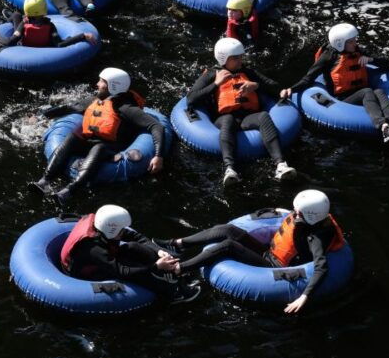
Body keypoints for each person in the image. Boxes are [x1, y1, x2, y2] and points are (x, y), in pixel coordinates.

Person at [153, 189, 344, 314]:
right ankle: (177, 244)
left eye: (297, 212)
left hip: (273, 266)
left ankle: (178, 269)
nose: (294, 214)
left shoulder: (315, 238)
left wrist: (304, 296)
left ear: (311, 216)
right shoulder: (313, 219)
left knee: (229, 245)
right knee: (228, 230)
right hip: (269, 252)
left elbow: (321, 266)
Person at [35, 67, 166, 204]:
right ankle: (44, 181)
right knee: (72, 137)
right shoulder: (96, 101)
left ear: (113, 86)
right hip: (92, 141)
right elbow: (68, 107)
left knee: (99, 148)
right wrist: (40, 116)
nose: (97, 84)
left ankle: (70, 190)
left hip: (112, 147)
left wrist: (158, 156)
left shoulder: (125, 107)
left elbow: (156, 125)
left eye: (102, 81)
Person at [187, 37, 296, 186]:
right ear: (223, 59)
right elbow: (191, 98)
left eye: (240, 57)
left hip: (247, 117)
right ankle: (230, 169)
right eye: (235, 58)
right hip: (222, 118)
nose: (240, 60)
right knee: (228, 120)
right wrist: (216, 84)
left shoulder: (247, 72)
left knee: (263, 116)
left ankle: (280, 165)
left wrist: (256, 86)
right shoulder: (212, 75)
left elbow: (274, 86)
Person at [280, 23, 389, 143]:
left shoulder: (357, 50)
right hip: (343, 99)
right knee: (367, 91)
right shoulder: (328, 56)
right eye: (351, 41)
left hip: (364, 93)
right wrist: (292, 89)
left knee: (379, 91)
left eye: (355, 40)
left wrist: (371, 59)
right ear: (339, 43)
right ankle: (384, 128)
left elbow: (386, 63)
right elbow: (309, 78)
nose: (355, 43)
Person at [61, 204, 201, 303]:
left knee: (133, 246)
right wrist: (156, 267)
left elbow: (137, 237)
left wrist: (159, 251)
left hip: (103, 259)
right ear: (111, 230)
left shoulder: (103, 228)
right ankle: (173, 294)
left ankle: (174, 273)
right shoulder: (93, 248)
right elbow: (121, 271)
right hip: (89, 272)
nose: (124, 232)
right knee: (134, 268)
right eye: (121, 230)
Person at [0, 0, 97, 50]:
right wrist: (83, 36)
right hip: (43, 45)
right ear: (44, 9)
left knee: (16, 15)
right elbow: (60, 44)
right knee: (17, 16)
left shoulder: (24, 24)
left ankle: (4, 22)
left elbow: (10, 42)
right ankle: (9, 19)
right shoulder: (50, 26)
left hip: (23, 45)